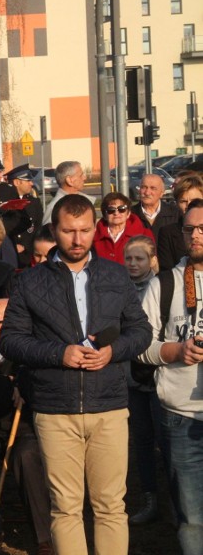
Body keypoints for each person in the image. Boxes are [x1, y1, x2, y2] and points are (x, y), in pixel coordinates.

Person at [0, 193, 152, 555]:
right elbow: (10, 341)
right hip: (55, 408)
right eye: (69, 231)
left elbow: (141, 332)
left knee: (111, 506)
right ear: (55, 229)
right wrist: (58, 354)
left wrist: (114, 352)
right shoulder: (29, 281)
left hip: (110, 406)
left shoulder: (116, 275)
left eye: (85, 230)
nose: (78, 239)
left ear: (94, 227)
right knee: (65, 507)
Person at [137, 198, 203, 553]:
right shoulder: (164, 284)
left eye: (202, 228)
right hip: (180, 414)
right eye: (189, 229)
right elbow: (141, 346)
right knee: (192, 520)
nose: (196, 236)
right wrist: (176, 351)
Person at [0, 298, 54, 555]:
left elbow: (44, 382)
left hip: (23, 428)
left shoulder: (29, 353)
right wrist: (5, 384)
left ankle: (44, 538)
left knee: (27, 457)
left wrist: (23, 384)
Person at [121, 236, 162, 527]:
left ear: (152, 261)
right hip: (132, 376)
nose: (134, 264)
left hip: (161, 376)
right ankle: (151, 498)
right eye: (129, 259)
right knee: (142, 440)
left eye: (140, 259)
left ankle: (177, 500)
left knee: (168, 441)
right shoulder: (118, 288)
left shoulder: (162, 287)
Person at [157, 173, 203, 271]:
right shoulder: (167, 233)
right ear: (177, 203)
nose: (188, 205)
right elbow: (166, 270)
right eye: (183, 201)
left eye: (194, 200)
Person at [93, 191, 153, 265]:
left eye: (121, 209)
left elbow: (152, 264)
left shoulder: (145, 235)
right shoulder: (93, 237)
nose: (116, 213)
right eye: (111, 210)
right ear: (105, 215)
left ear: (128, 213)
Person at [7, 164, 44, 268]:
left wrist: (26, 247)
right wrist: (13, 246)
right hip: (9, 257)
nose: (31, 183)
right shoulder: (5, 203)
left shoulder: (34, 202)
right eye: (28, 180)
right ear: (17, 182)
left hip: (28, 258)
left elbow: (38, 229)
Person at [42, 161, 95, 225]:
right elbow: (46, 233)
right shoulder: (55, 207)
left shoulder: (85, 202)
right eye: (81, 175)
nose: (84, 178)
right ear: (69, 180)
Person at [132, 173, 180, 244]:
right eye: (144, 187)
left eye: (153, 188)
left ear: (162, 193)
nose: (147, 192)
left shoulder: (175, 214)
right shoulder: (130, 215)